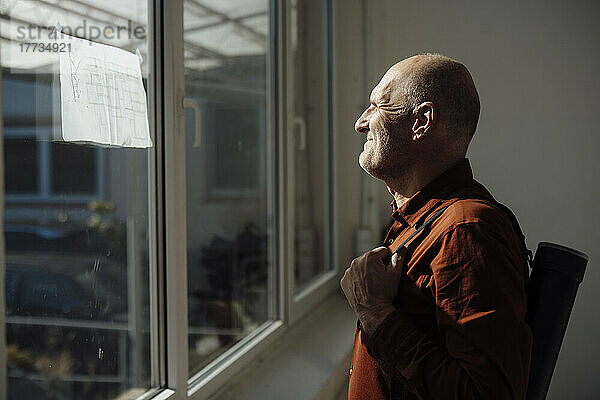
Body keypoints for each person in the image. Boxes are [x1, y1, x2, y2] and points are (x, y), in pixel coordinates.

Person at [340, 54, 532, 400]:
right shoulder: (425, 220)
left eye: (377, 106)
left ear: (421, 121)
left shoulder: (466, 231)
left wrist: (377, 314)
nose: (360, 123)